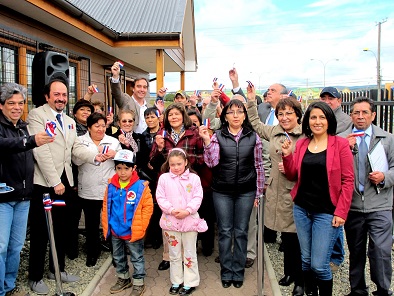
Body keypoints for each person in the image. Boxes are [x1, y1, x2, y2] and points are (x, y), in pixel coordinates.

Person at [26, 79, 108, 294]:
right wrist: (55, 181)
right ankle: (35, 277)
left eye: (64, 94)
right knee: (41, 231)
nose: (61, 98)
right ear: (47, 96)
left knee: (62, 228)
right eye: (56, 94)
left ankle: (57, 269)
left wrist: (95, 156)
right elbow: (40, 151)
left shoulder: (70, 121)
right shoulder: (37, 116)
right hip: (45, 183)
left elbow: (74, 150)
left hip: (65, 184)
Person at [281, 101, 354, 296]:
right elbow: (292, 175)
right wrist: (287, 156)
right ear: (308, 121)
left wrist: (341, 212)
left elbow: (348, 181)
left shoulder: (340, 144)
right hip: (302, 209)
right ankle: (311, 292)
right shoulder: (303, 143)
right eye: (313, 117)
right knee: (306, 259)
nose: (317, 121)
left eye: (322, 117)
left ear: (329, 120)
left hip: (326, 212)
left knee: (319, 265)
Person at [199, 99, 264, 289]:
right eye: (231, 112)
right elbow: (211, 162)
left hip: (246, 191)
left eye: (239, 112)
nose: (235, 115)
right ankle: (226, 271)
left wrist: (258, 193)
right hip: (222, 191)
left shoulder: (254, 137)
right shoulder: (217, 136)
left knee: (241, 231)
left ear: (245, 115)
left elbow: (259, 166)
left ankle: (238, 271)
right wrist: (206, 141)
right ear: (225, 116)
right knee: (226, 231)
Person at [246, 85, 304, 296]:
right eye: (281, 113)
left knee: (296, 238)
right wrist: (251, 101)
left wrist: (293, 162)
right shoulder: (274, 131)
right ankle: (289, 273)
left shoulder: (304, 135)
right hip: (276, 191)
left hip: (296, 193)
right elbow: (255, 124)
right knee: (285, 237)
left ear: (298, 115)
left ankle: (300, 279)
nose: (285, 117)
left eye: (289, 113)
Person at [0, 83, 54, 296]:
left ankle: (9, 285)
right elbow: (5, 145)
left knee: (16, 246)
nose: (16, 107)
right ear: (1, 105)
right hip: (3, 197)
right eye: (11, 103)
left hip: (23, 197)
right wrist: (30, 140)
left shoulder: (22, 126)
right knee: (1, 247)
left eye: (20, 103)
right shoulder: (12, 131)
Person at [339, 97, 394, 296]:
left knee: (380, 250)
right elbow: (333, 168)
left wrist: (385, 177)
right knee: (356, 250)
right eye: (356, 113)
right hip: (353, 205)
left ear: (373, 115)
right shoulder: (342, 139)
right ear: (351, 115)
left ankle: (382, 289)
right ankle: (358, 289)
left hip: (380, 204)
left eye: (364, 113)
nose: (360, 117)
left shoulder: (387, 138)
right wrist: (343, 147)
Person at [150, 102, 204, 271]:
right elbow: (152, 162)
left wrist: (187, 164)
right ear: (166, 117)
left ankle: (187, 256)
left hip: (188, 183)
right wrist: (159, 149)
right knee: (169, 219)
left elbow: (203, 157)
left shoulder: (193, 133)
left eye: (177, 114)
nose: (173, 117)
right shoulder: (161, 134)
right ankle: (168, 256)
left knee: (187, 217)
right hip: (168, 184)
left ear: (183, 116)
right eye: (170, 114)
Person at [102, 149, 153, 296]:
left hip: (132, 231)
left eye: (126, 168)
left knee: (137, 257)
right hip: (115, 230)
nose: (122, 172)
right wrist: (107, 224)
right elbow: (106, 205)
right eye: (119, 168)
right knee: (118, 257)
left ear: (134, 168)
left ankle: (138, 282)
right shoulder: (111, 185)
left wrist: (141, 226)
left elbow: (147, 208)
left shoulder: (141, 187)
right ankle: (123, 278)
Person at [72, 113, 121, 267]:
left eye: (103, 125)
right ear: (89, 127)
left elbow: (122, 162)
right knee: (91, 225)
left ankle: (116, 253)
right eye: (96, 126)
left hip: (109, 189)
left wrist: (116, 154)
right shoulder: (80, 141)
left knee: (112, 223)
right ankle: (92, 253)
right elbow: (76, 159)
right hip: (88, 189)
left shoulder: (113, 141)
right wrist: (96, 152)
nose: (100, 129)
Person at [156, 148, 205, 295]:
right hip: (170, 221)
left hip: (189, 221)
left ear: (186, 162)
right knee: (174, 254)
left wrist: (187, 211)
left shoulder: (194, 179)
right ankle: (176, 280)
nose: (176, 167)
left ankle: (190, 282)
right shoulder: (164, 178)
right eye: (172, 164)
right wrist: (171, 210)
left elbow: (198, 197)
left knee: (190, 252)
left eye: (179, 164)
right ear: (168, 164)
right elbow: (160, 197)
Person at [319, 86, 352, 273]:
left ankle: (336, 256)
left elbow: (338, 142)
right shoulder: (319, 116)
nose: (327, 101)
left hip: (336, 175)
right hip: (320, 172)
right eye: (323, 98)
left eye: (331, 98)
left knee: (335, 216)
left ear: (339, 101)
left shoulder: (345, 120)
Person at [110, 61, 151, 133]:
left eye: (144, 87)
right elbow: (116, 93)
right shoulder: (126, 101)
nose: (142, 89)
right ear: (133, 88)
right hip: (129, 141)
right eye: (139, 86)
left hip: (147, 142)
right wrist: (116, 76)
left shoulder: (150, 107)